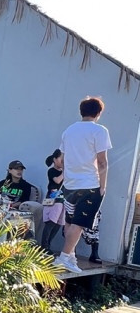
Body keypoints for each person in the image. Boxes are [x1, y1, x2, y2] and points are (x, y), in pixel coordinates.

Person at [54, 96, 111, 273]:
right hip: (89, 184)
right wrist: (103, 186)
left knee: (70, 221)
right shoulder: (99, 131)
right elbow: (102, 162)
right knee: (79, 223)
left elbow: (61, 160)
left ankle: (70, 256)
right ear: (98, 113)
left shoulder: (69, 130)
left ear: (81, 111)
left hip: (70, 184)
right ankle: (63, 258)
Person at [0, 160, 43, 239]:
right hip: (1, 208)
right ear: (10, 170)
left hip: (15, 210)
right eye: (16, 169)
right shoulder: (3, 183)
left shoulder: (26, 186)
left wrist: (11, 205)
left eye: (21, 169)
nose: (19, 171)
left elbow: (24, 201)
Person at [40, 149, 64, 253]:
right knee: (51, 222)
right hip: (53, 198)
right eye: (61, 159)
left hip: (63, 199)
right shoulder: (51, 171)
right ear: (55, 159)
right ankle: (44, 246)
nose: (63, 161)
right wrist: (65, 171)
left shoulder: (64, 172)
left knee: (58, 223)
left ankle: (48, 244)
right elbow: (57, 181)